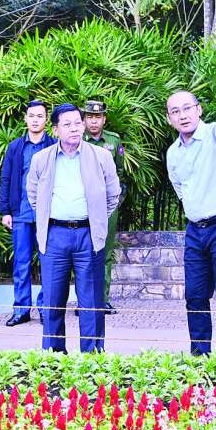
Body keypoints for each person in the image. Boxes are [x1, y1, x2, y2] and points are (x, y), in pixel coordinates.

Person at [27, 103, 120, 354]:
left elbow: (113, 194)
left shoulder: (101, 156)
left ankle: (92, 355)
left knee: (91, 300)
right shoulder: (41, 159)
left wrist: (96, 219)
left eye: (78, 123)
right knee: (53, 300)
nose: (74, 128)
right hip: (54, 235)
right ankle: (54, 355)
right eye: (67, 124)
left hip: (88, 235)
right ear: (55, 130)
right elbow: (33, 195)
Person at [163, 91, 216, 356]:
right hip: (195, 230)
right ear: (169, 118)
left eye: (187, 108)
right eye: (175, 111)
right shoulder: (173, 153)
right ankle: (199, 358)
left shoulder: (214, 135)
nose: (182, 115)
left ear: (199, 110)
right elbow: (180, 189)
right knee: (195, 296)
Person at [0, 101, 56, 327]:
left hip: (47, 215)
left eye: (40, 116)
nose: (35, 120)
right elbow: (6, 178)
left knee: (47, 263)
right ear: (25, 118)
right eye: (31, 115)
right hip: (21, 213)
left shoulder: (54, 146)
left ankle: (45, 308)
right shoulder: (15, 147)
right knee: (21, 263)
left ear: (46, 120)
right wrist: (5, 210)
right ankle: (21, 309)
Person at [81, 100, 123, 315]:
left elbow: (120, 173)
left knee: (105, 252)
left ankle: (102, 300)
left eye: (98, 117)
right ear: (83, 120)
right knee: (82, 253)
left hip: (107, 206)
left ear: (104, 119)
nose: (94, 121)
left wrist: (116, 201)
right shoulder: (77, 140)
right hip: (82, 205)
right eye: (89, 117)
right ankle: (83, 301)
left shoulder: (114, 141)